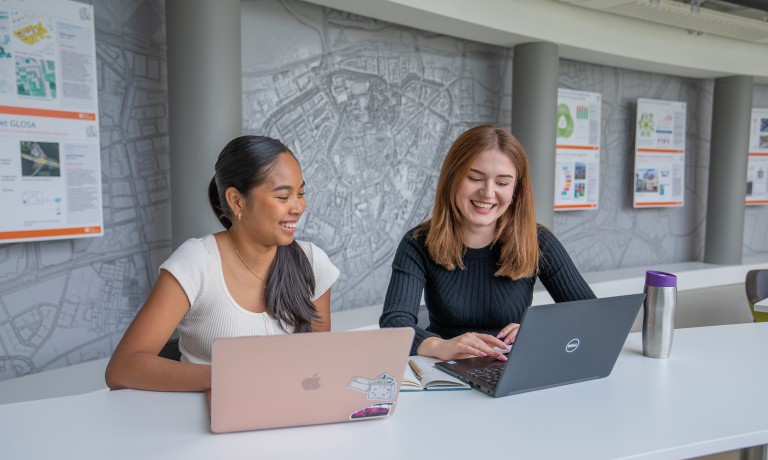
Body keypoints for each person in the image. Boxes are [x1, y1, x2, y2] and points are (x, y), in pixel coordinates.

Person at [105, 135, 339, 391]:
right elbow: (123, 368)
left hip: (291, 416)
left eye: (301, 194)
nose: (298, 207)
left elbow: (319, 361)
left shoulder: (312, 262)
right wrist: (228, 377)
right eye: (283, 197)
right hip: (210, 420)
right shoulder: (196, 261)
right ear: (237, 200)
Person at [380, 124, 595, 363]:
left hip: (512, 369)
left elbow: (592, 315)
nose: (488, 193)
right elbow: (394, 324)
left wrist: (540, 329)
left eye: (502, 183)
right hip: (443, 371)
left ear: (516, 190)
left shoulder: (537, 241)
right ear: (452, 177)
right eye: (474, 178)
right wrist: (440, 345)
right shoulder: (418, 243)